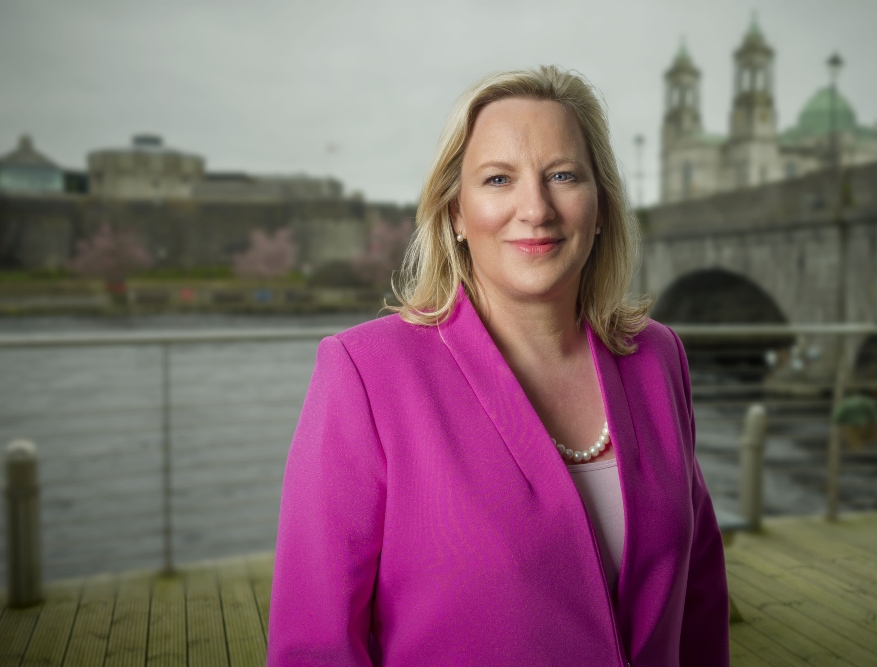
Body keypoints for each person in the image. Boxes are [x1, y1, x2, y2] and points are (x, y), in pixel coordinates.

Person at [268, 65, 729, 666]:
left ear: (601, 203)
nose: (535, 210)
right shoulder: (366, 373)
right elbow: (315, 644)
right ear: (455, 212)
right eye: (498, 179)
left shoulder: (656, 357)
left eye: (563, 175)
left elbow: (698, 593)